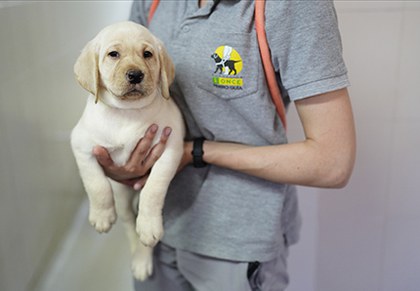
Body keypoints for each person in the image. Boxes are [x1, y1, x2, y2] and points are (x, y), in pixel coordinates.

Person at [93, 1, 356, 290]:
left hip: (234, 242)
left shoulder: (293, 7)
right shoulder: (153, 3)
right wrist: (123, 166)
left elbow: (332, 163)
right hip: (156, 229)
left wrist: (194, 152)